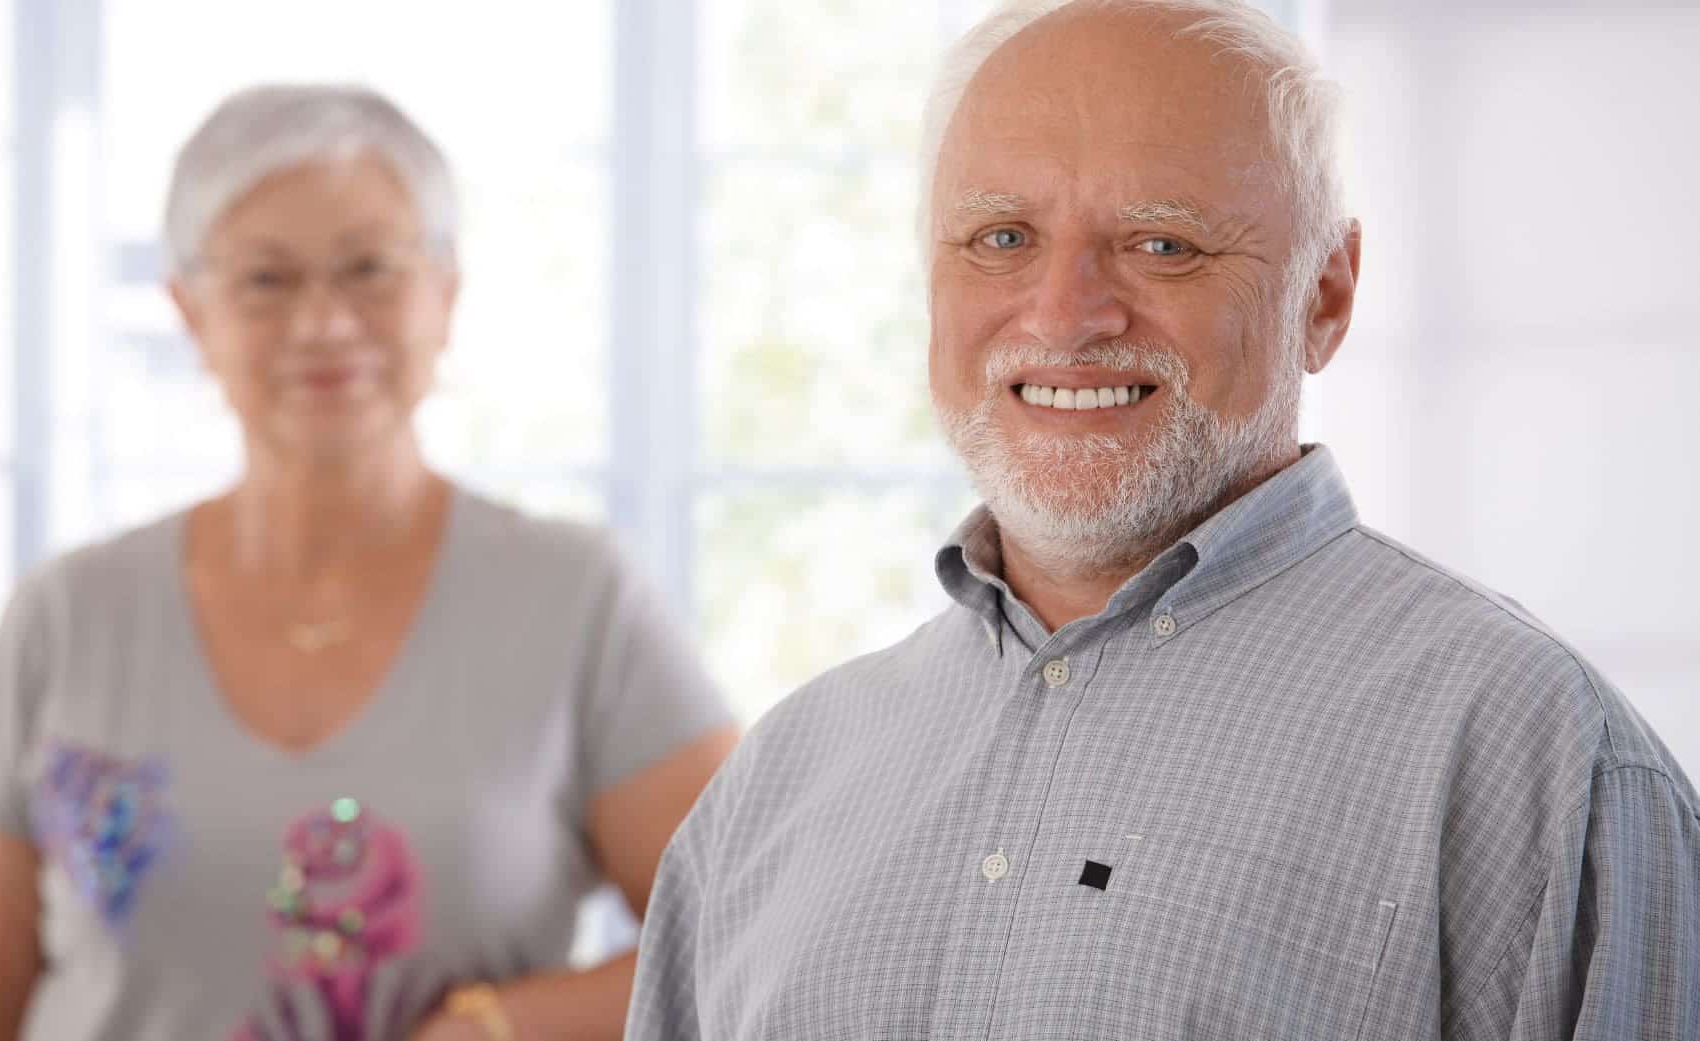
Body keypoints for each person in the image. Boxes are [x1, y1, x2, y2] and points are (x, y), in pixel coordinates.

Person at [625, 1, 1700, 1038]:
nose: (1063, 316)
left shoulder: (1539, 758)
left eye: (1161, 245)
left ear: (1323, 297)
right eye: (1000, 238)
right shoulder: (777, 783)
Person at [0, 85, 738, 1041]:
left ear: (445, 293)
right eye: (266, 280)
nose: (323, 323)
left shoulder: (580, 599)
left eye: (369, 270)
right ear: (190, 310)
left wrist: (496, 1025)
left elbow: (744, 926)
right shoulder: (66, 615)